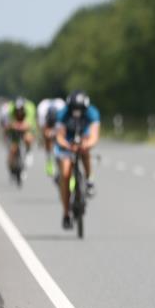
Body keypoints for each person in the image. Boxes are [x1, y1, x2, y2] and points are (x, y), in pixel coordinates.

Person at [55, 90, 101, 230]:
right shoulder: (63, 113)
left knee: (86, 152)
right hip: (68, 141)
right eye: (74, 109)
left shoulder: (92, 113)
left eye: (80, 110)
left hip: (83, 138)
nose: (77, 112)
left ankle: (89, 180)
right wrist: (66, 145)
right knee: (65, 174)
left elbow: (94, 135)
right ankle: (66, 213)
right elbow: (59, 136)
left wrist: (86, 144)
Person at [5, 96, 37, 173]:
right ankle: (11, 166)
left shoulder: (30, 108)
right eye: (17, 110)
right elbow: (8, 124)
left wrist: (19, 126)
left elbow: (29, 124)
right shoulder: (10, 109)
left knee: (28, 138)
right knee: (12, 150)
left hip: (26, 129)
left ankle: (28, 151)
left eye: (21, 110)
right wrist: (12, 126)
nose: (19, 112)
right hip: (14, 131)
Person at [37, 96, 66, 177]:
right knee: (47, 139)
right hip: (46, 122)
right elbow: (43, 129)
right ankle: (49, 159)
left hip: (60, 123)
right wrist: (47, 134)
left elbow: (65, 127)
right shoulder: (42, 111)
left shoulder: (62, 108)